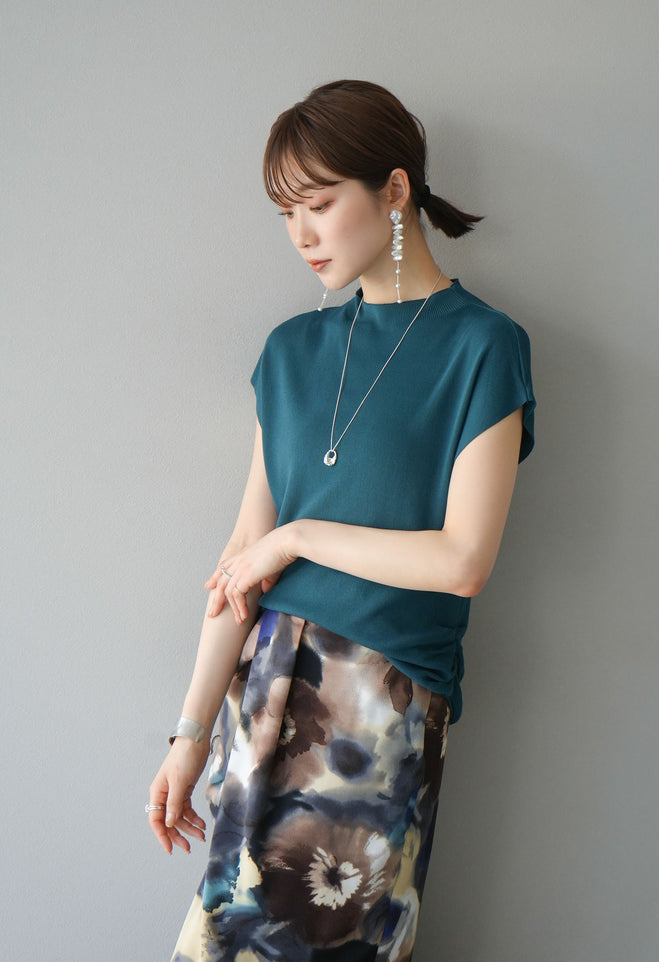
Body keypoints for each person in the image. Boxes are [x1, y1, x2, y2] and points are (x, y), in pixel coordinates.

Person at [148, 79, 536, 962]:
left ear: (394, 190)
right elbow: (240, 556)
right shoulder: (290, 351)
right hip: (261, 695)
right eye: (286, 213)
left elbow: (464, 561)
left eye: (319, 205)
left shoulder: (482, 346)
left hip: (377, 715)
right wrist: (189, 734)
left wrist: (298, 538)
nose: (301, 235)